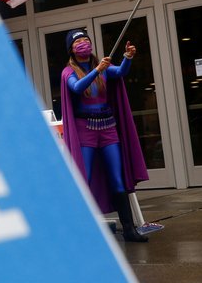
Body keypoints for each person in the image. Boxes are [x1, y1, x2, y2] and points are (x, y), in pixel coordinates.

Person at [60, 29, 149, 242]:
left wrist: (127, 58)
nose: (83, 44)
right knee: (85, 178)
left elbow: (119, 73)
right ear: (71, 49)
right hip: (85, 130)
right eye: (78, 42)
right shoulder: (68, 72)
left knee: (117, 179)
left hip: (108, 128)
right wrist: (97, 71)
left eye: (86, 40)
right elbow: (77, 87)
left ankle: (128, 229)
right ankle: (82, 231)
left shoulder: (103, 68)